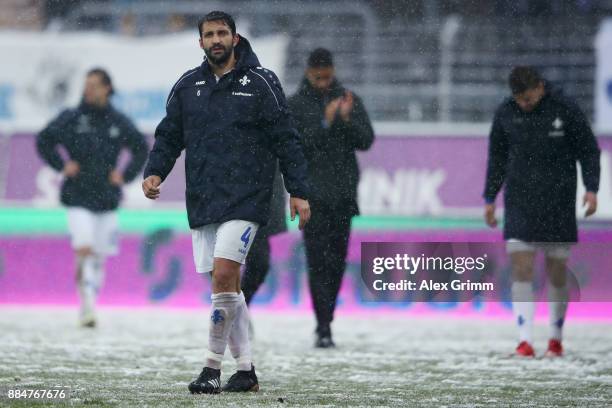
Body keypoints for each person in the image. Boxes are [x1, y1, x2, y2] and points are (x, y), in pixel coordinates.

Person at [141, 11, 310, 394]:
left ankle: (210, 368)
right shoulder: (188, 85)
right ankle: (246, 369)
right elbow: (169, 136)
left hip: (248, 199)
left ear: (235, 38)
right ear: (200, 42)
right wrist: (155, 171)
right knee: (226, 288)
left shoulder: (261, 82)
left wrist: (298, 191)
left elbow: (287, 138)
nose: (216, 39)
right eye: (209, 34)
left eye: (222, 33)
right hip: (204, 199)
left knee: (223, 278)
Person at [483, 66, 600, 357]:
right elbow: (496, 157)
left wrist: (591, 188)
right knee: (521, 267)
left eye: (528, 97)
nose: (524, 103)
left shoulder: (565, 108)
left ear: (539, 87)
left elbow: (588, 149)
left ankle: (555, 339)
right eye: (519, 99)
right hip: (520, 200)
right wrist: (489, 197)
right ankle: (524, 341)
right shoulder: (506, 113)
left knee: (556, 272)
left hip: (557, 200)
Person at [36, 68, 148, 328]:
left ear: (107, 88)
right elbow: (44, 140)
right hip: (77, 196)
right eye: (86, 85)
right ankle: (86, 307)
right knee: (84, 248)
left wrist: (126, 174)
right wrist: (61, 165)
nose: (88, 90)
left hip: (107, 199)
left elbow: (140, 148)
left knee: (98, 255)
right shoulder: (72, 117)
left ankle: (91, 303)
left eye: (94, 85)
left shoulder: (118, 121)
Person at [288, 48, 374, 348]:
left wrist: (347, 121)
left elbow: (366, 141)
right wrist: (325, 123)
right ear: (309, 72)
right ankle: (322, 324)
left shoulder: (349, 99)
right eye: (318, 77)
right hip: (312, 199)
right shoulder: (295, 105)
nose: (324, 82)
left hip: (342, 196)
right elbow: (295, 147)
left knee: (336, 262)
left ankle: (327, 320)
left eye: (327, 76)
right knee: (316, 262)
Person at [240, 165, 287, 306]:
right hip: (235, 198)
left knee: (259, 264)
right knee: (229, 266)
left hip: (262, 201)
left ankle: (239, 308)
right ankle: (235, 310)